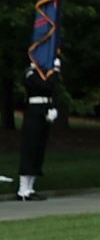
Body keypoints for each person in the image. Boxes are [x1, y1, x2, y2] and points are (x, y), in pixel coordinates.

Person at [17, 59, 61, 201]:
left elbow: (53, 90)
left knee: (39, 149)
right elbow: (45, 86)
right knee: (30, 147)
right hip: (34, 111)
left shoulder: (47, 73)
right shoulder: (30, 73)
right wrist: (55, 72)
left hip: (45, 110)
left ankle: (31, 188)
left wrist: (53, 107)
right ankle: (22, 189)